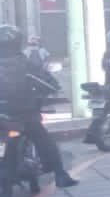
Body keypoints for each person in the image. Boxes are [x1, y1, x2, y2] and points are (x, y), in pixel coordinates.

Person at [0, 25, 75, 188]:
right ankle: (60, 175)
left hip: (3, 115)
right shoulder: (24, 64)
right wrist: (49, 89)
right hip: (23, 113)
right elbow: (48, 84)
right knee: (45, 141)